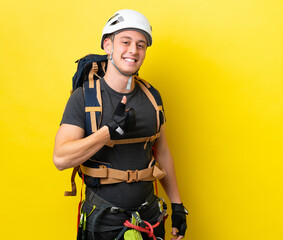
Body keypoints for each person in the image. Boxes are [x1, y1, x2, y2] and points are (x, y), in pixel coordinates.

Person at [53, 9, 188, 240]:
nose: (133, 50)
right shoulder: (84, 97)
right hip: (103, 222)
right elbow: (61, 159)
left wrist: (177, 205)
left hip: (149, 218)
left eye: (141, 45)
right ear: (108, 45)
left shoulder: (152, 97)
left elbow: (163, 152)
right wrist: (107, 132)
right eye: (125, 42)